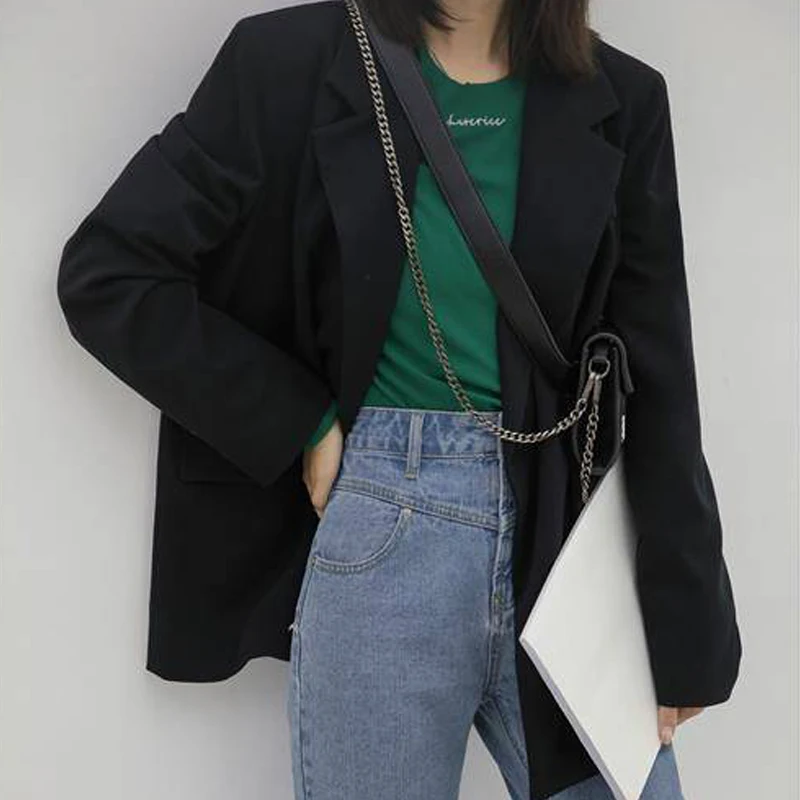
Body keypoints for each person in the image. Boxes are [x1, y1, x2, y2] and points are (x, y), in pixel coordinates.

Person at [56, 1, 742, 798]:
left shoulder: (620, 96)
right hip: (381, 531)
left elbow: (660, 369)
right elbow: (109, 272)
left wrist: (686, 624)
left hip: (563, 543)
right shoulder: (288, 61)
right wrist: (300, 421)